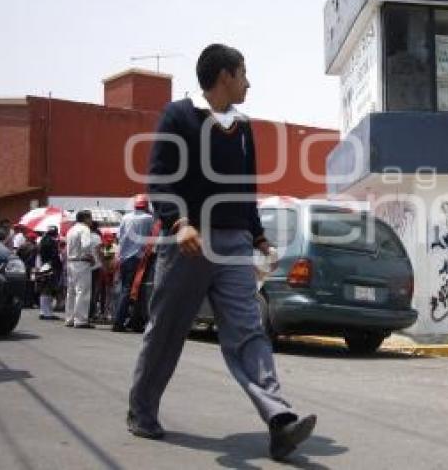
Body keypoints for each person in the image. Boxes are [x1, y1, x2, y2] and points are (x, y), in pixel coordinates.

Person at [127, 44, 316, 461]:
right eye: (244, 73)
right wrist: (179, 222)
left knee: (249, 331)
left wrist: (258, 236)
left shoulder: (243, 127)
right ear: (225, 75)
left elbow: (245, 190)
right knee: (166, 331)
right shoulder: (179, 115)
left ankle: (280, 419)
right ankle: (141, 410)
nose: (249, 82)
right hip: (189, 244)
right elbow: (160, 177)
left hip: (232, 245)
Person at [112, 195, 155, 331]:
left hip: (125, 258)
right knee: (135, 290)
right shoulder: (149, 219)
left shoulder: (125, 217)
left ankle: (126, 321)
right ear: (146, 205)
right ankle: (127, 322)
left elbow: (119, 236)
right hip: (139, 258)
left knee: (126, 289)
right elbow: (153, 236)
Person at [64, 210, 95, 328]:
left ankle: (69, 318)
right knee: (82, 291)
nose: (91, 221)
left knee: (71, 291)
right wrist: (90, 257)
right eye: (90, 218)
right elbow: (86, 245)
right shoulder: (84, 229)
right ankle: (80, 320)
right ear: (86, 219)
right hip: (81, 262)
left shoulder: (71, 229)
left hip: (71, 262)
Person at [37, 226, 62, 319]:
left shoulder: (42, 240)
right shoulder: (52, 242)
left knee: (43, 289)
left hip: (43, 266)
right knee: (49, 289)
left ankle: (43, 311)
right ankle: (48, 313)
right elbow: (55, 257)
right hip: (51, 266)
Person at [88, 221, 103, 321]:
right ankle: (92, 313)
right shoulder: (97, 237)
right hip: (96, 266)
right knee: (94, 291)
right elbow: (99, 251)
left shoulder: (85, 235)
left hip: (85, 265)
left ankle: (86, 312)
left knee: (86, 290)